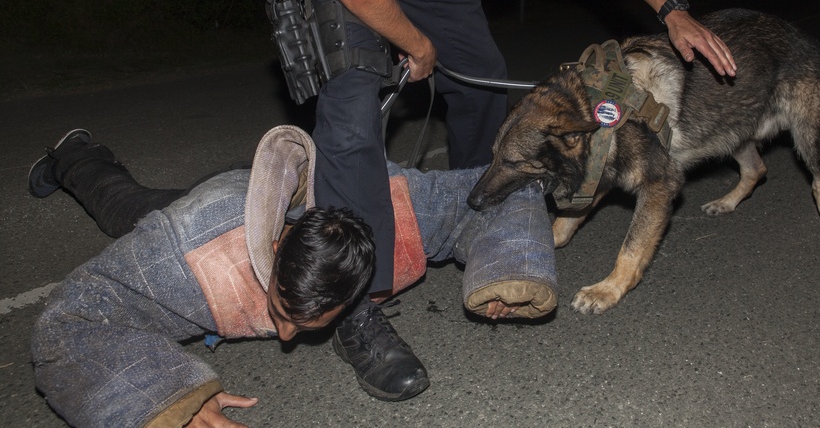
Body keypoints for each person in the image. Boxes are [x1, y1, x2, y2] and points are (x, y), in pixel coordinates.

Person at [294, 0, 739, 399]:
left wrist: (674, 10)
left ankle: (481, 219)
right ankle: (355, 305)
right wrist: (415, 43)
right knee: (351, 112)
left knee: (483, 79)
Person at [29, 126, 557, 427]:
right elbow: (71, 318)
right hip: (210, 215)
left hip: (295, 192)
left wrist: (508, 267)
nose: (285, 340)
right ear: (275, 250)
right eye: (282, 315)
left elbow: (503, 189)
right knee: (123, 206)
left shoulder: (401, 215)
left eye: (305, 324)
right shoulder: (185, 255)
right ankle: (75, 153)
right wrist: (163, 398)